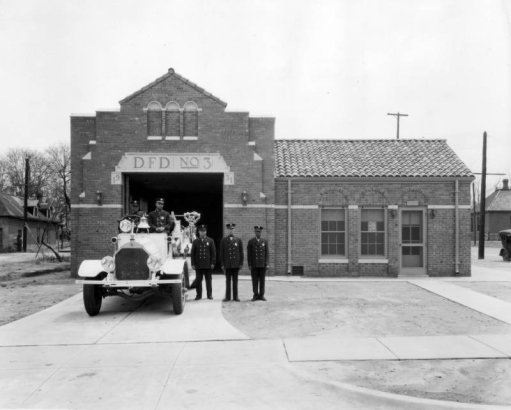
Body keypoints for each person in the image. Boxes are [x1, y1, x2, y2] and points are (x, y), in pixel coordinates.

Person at [190, 224, 216, 300]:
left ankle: (209, 295)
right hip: (198, 264)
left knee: (208, 281)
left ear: (206, 232)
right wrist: (193, 263)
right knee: (198, 281)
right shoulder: (195, 241)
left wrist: (212, 263)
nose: (203, 232)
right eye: (201, 231)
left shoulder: (210, 240)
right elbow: (193, 254)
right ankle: (198, 295)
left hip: (207, 264)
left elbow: (213, 253)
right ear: (198, 232)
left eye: (204, 231)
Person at [219, 223, 243, 302]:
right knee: (228, 281)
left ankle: (235, 297)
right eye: (229, 229)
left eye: (232, 229)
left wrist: (241, 263)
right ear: (227, 230)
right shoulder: (224, 240)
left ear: (234, 230)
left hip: (235, 264)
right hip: (228, 264)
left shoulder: (238, 240)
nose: (231, 230)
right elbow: (221, 253)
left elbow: (241, 253)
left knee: (235, 281)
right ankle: (227, 297)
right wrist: (222, 264)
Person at [247, 226, 269, 301]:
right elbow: (249, 254)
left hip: (262, 265)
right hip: (254, 265)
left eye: (259, 231)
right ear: (255, 232)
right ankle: (255, 295)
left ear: (261, 232)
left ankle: (261, 295)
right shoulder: (251, 241)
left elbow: (267, 253)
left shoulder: (264, 241)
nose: (258, 233)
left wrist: (267, 263)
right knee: (255, 280)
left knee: (262, 280)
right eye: (256, 231)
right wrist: (249, 264)